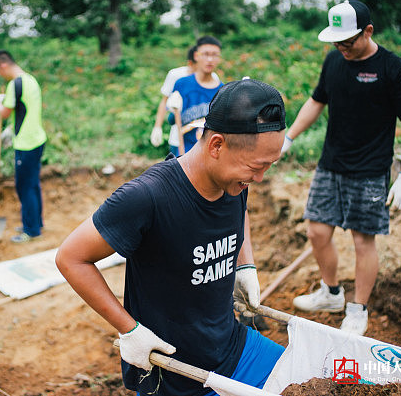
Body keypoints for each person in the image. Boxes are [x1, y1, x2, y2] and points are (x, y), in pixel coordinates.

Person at [56, 79, 286, 396]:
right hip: (176, 376)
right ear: (217, 145)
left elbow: (238, 212)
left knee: (317, 380)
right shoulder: (147, 197)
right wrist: (129, 330)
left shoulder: (234, 182)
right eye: (256, 167)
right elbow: (71, 257)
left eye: (269, 166)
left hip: (234, 348)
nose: (259, 178)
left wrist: (245, 266)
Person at [281, 0, 401, 336]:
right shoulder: (334, 61)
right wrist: (289, 136)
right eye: (336, 42)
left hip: (370, 170)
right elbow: (317, 101)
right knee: (316, 230)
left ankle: (358, 310)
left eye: (347, 41)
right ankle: (331, 294)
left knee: (362, 241)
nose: (340, 48)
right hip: (331, 163)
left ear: (368, 31)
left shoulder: (393, 68)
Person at [0, 50, 47, 243]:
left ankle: (31, 230)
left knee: (25, 186)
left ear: (3, 65)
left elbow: (5, 112)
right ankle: (36, 223)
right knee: (33, 184)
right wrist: (10, 130)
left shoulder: (15, 84)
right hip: (37, 138)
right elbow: (25, 111)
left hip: (26, 143)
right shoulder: (31, 80)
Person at [150, 45, 219, 153]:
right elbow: (164, 102)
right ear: (191, 63)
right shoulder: (176, 76)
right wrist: (157, 127)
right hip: (178, 137)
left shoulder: (213, 77)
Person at [167, 35, 223, 156]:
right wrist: (173, 110)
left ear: (219, 58)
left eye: (214, 55)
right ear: (196, 56)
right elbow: (172, 120)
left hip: (210, 156)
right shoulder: (182, 84)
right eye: (206, 54)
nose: (210, 59)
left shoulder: (222, 91)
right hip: (184, 153)